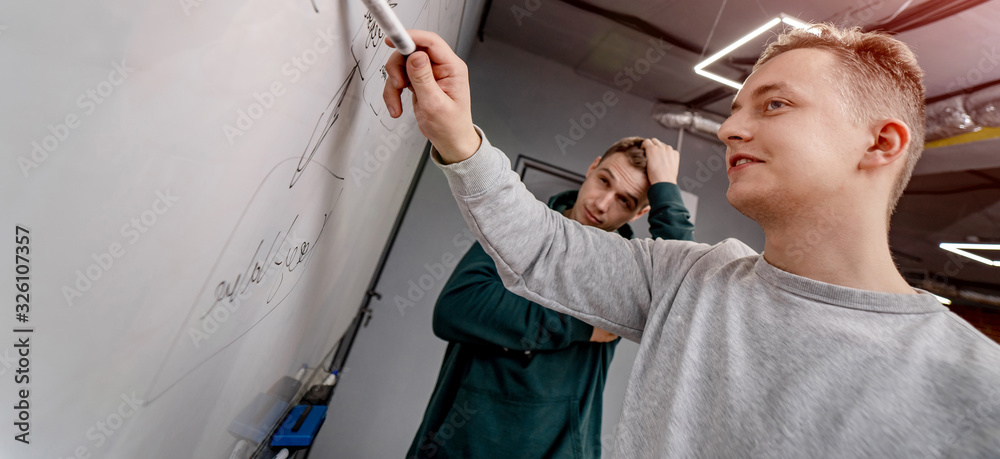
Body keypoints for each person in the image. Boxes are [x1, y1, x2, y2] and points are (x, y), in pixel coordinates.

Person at [384, 25, 1000, 457]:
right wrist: (457, 131)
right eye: (734, 110)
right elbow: (541, 248)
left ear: (879, 143)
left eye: (775, 104)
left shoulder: (975, 390)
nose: (731, 128)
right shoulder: (688, 281)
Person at [408, 137, 694, 458]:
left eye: (624, 201)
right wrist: (580, 327)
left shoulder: (629, 270)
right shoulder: (521, 227)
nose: (602, 204)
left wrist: (666, 189)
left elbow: (685, 294)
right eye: (603, 181)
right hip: (462, 443)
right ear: (591, 167)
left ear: (641, 212)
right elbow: (457, 308)